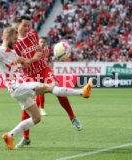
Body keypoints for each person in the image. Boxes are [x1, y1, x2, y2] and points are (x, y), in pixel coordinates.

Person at [0, 27, 93, 150]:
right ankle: (82, 92)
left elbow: (24, 61)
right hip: (17, 86)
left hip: (19, 88)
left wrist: (34, 57)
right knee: (50, 87)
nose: (16, 41)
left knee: (36, 118)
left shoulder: (13, 52)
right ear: (7, 37)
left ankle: (10, 136)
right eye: (14, 39)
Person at [12, 15, 82, 149]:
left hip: (43, 69)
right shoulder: (15, 44)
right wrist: (30, 60)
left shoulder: (33, 35)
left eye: (29, 25)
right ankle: (26, 138)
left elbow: (39, 50)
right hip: (29, 76)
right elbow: (17, 64)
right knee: (27, 105)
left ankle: (72, 118)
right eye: (24, 25)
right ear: (17, 25)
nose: (27, 28)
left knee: (56, 89)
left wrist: (41, 52)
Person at [36, 37, 53, 116]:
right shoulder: (35, 51)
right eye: (41, 42)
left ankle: (36, 108)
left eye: (44, 42)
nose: (42, 43)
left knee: (40, 90)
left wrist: (51, 69)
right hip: (37, 73)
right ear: (38, 43)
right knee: (41, 89)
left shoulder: (48, 51)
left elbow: (50, 60)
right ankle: (41, 109)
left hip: (45, 72)